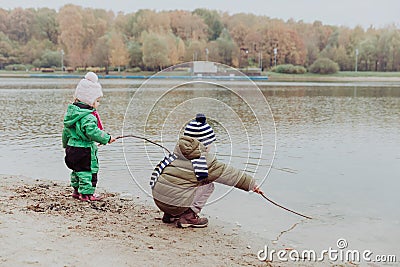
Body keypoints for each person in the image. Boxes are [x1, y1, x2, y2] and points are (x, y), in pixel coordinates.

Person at [150, 113, 263, 228]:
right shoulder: (204, 162)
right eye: (210, 143)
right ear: (205, 144)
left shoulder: (174, 155)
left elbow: (158, 173)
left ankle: (170, 215)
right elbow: (230, 175)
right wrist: (251, 184)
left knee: (178, 181)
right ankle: (189, 216)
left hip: (160, 201)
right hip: (176, 205)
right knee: (208, 185)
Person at [62, 72, 116, 201]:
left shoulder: (72, 114)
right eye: (97, 100)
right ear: (89, 100)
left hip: (71, 148)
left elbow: (66, 132)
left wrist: (65, 145)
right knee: (87, 171)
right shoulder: (88, 117)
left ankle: (76, 191)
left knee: (76, 170)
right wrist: (107, 138)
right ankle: (86, 194)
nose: (98, 103)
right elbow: (92, 132)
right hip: (84, 149)